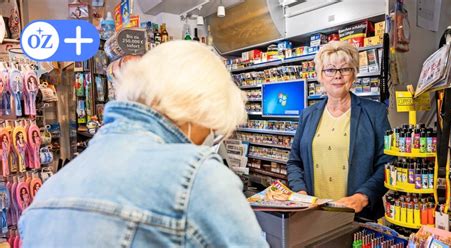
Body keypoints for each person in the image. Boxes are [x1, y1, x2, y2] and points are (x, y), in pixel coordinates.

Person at [19, 41, 268, 247]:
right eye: (213, 130)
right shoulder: (196, 178)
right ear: (200, 112)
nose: (210, 140)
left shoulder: (51, 190)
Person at [286, 41, 393, 221]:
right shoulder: (308, 115)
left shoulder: (375, 113)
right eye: (330, 70)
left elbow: (387, 163)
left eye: (345, 69)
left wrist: (363, 196)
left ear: (354, 74)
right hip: (313, 214)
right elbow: (294, 162)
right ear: (320, 76)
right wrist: (300, 192)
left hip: (356, 217)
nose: (338, 76)